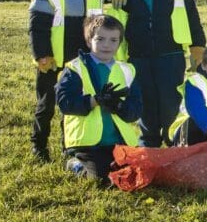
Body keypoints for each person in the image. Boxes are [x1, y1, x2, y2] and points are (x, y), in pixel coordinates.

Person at [28, 0, 126, 162]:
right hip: (54, 60)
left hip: (85, 59)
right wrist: (41, 54)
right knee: (46, 105)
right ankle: (39, 146)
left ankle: (70, 148)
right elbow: (37, 26)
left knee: (74, 106)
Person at [120, 0, 206, 147]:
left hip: (171, 56)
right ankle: (148, 142)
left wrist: (197, 47)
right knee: (145, 100)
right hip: (139, 58)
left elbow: (193, 18)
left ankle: (173, 139)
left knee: (170, 100)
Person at [57, 15, 143, 183]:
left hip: (119, 142)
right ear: (89, 41)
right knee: (103, 180)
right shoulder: (75, 68)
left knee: (136, 175)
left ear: (120, 43)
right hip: (87, 143)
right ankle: (76, 163)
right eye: (100, 39)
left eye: (113, 40)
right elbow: (65, 104)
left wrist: (117, 105)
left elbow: (135, 111)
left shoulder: (128, 71)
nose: (107, 45)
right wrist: (95, 100)